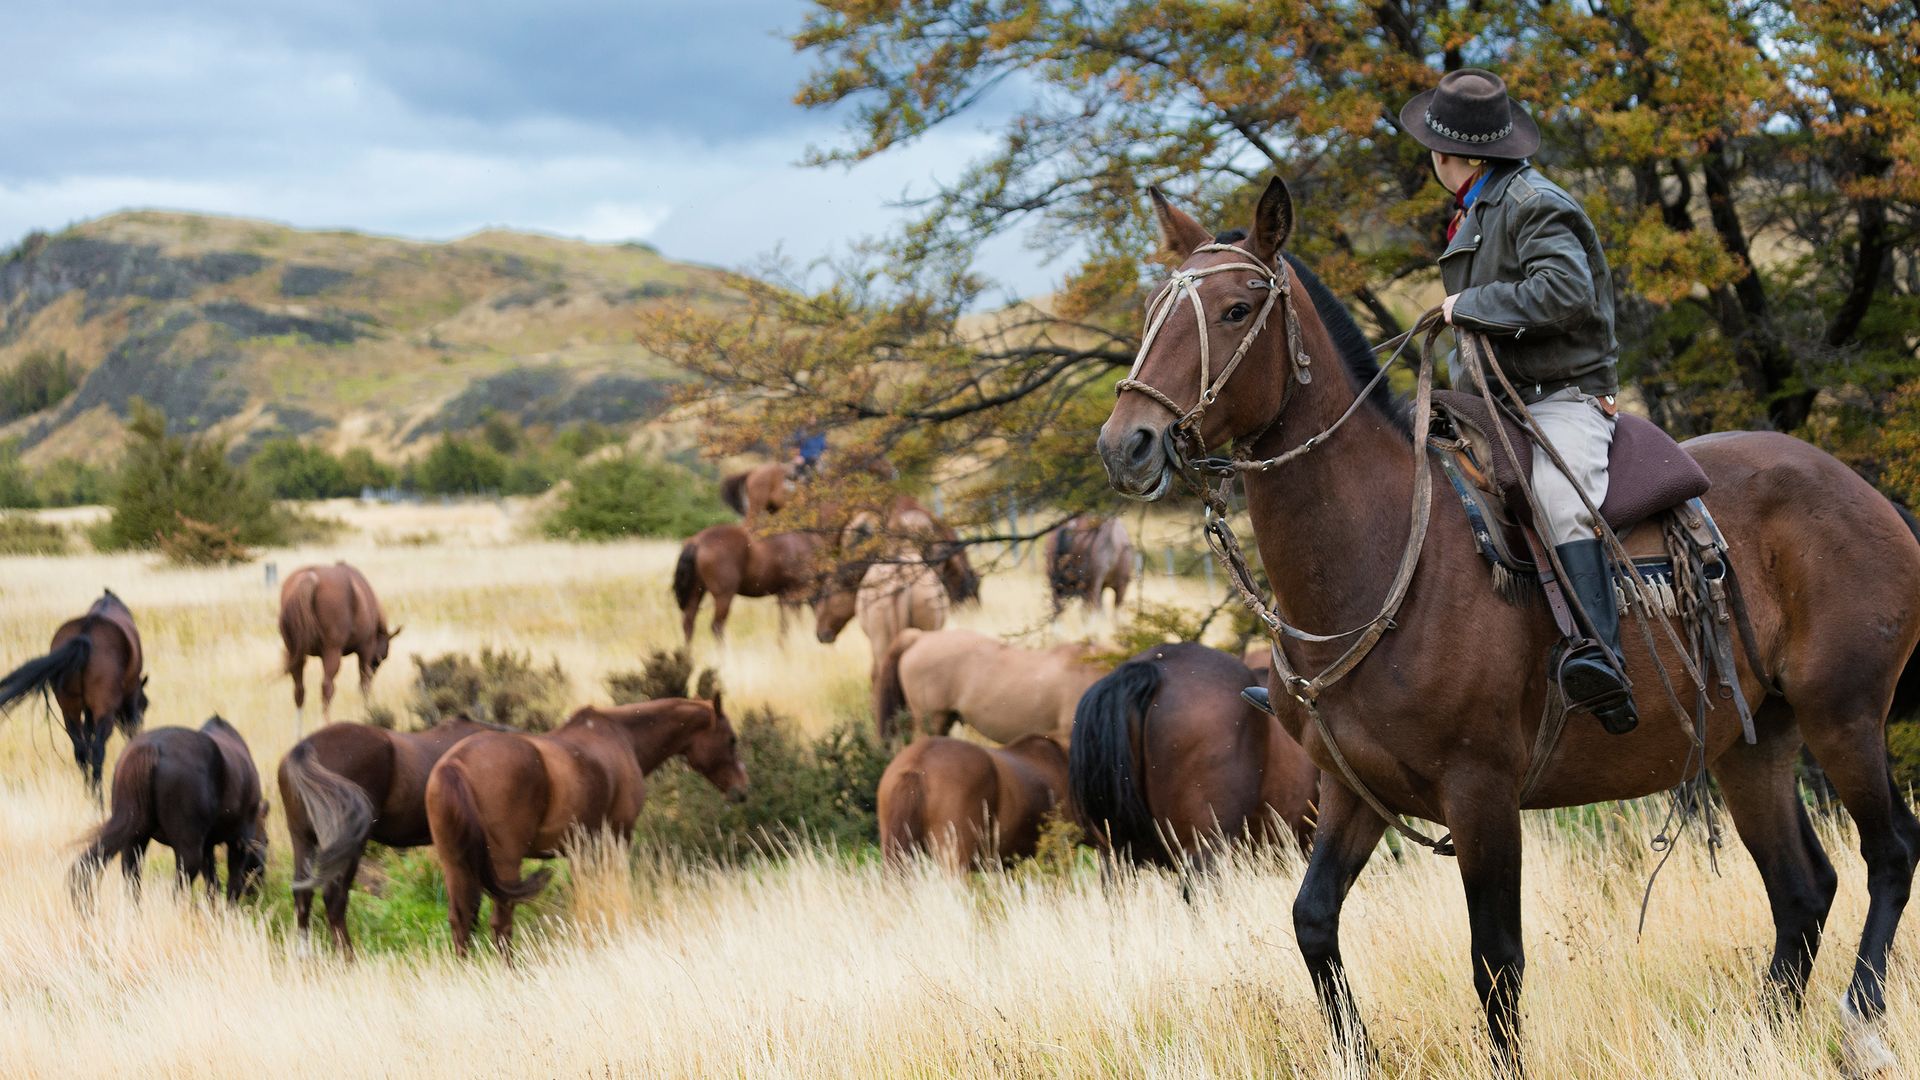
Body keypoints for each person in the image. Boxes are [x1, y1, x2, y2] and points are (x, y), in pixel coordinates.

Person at [1244, 68, 1637, 734]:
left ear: (1451, 155)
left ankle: (1601, 654)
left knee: (1565, 504)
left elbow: (1568, 294)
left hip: (1560, 400)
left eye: (1432, 144)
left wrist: (1466, 306)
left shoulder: (1534, 203)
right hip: (1493, 402)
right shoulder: (1480, 203)